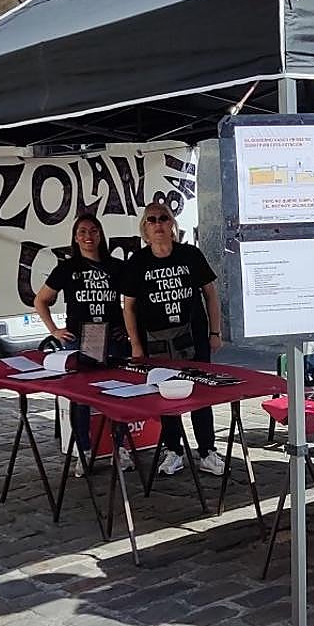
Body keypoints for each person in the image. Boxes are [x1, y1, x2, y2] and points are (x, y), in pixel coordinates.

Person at [121, 200, 225, 476]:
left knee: (201, 395)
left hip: (194, 338)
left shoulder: (190, 255)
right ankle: (173, 450)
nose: (158, 224)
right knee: (165, 396)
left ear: (172, 224)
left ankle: (207, 451)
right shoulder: (138, 262)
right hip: (156, 342)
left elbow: (211, 294)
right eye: (152, 220)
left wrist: (215, 332)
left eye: (163, 218)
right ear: (145, 228)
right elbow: (128, 306)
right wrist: (135, 344)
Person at [33, 213, 133, 474]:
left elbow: (133, 302)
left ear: (100, 235)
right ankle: (83, 450)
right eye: (82, 232)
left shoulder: (117, 267)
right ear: (75, 238)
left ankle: (120, 448)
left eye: (93, 231)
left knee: (118, 394)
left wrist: (129, 330)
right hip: (80, 340)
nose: (88, 237)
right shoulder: (66, 268)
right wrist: (54, 330)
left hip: (112, 340)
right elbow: (41, 300)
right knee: (80, 398)